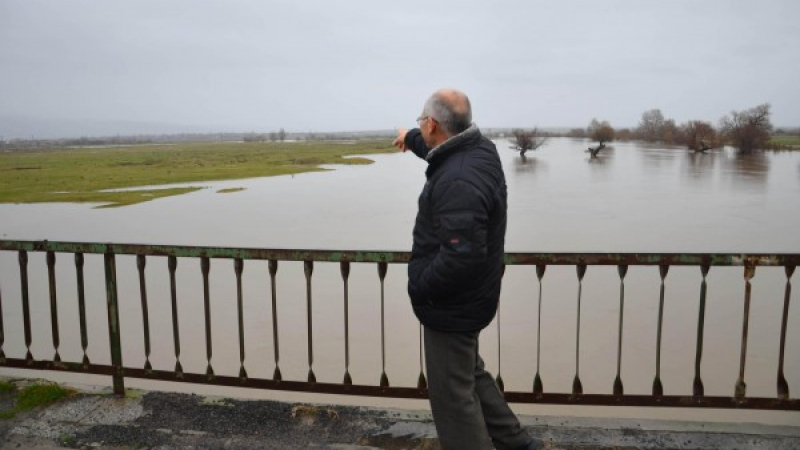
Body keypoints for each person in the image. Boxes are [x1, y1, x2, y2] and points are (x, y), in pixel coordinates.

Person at [394, 89, 539, 450]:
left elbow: (460, 257)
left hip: (450, 304)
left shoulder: (458, 178)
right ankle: (515, 442)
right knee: (469, 372)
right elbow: (439, 150)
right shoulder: (479, 150)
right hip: (474, 297)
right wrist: (410, 139)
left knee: (453, 397)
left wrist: (419, 285)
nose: (420, 129)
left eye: (420, 124)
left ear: (432, 124)